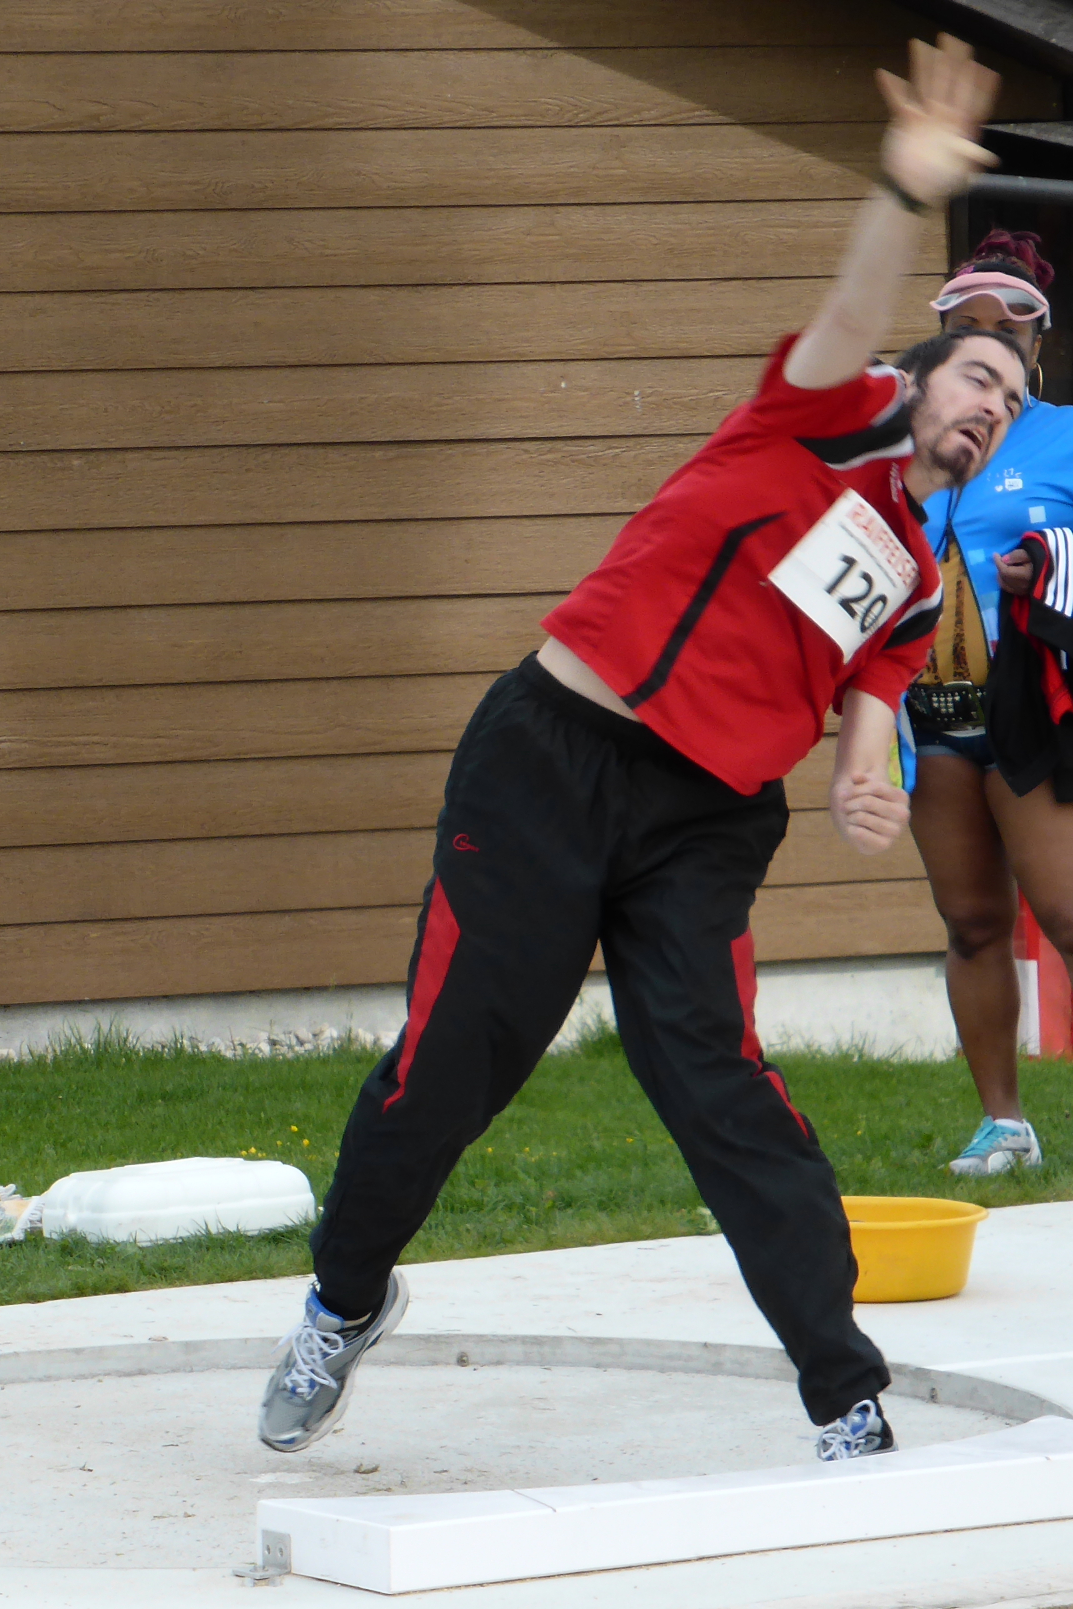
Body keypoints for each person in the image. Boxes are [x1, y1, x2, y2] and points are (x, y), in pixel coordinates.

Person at [256, 36, 1016, 1465]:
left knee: (724, 1092)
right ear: (915, 381)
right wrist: (904, 192)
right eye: (976, 376)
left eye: (1012, 404)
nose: (991, 406)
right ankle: (343, 1302)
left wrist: (864, 774)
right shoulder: (816, 416)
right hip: (550, 760)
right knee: (449, 1066)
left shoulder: (919, 573)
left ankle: (844, 1395)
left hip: (702, 824)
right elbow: (851, 311)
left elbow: (872, 697)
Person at [906, 233, 1073, 1178]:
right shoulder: (904, 436)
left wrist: (1057, 560)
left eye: (1009, 332)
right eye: (967, 331)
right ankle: (1004, 1124)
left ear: (1038, 347)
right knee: (972, 925)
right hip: (928, 717)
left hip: (1039, 705)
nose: (988, 347)